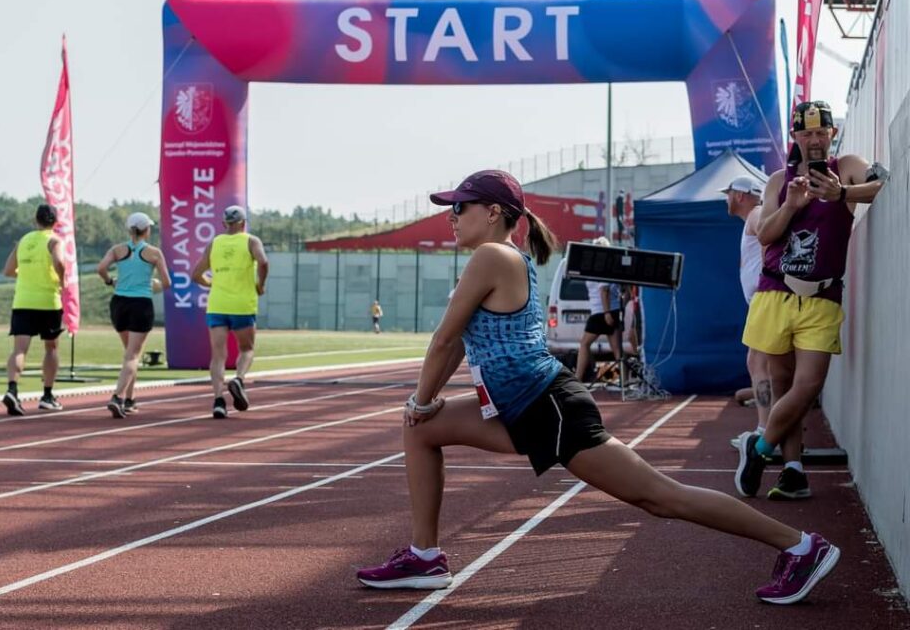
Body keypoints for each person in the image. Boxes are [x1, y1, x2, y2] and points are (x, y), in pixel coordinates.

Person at [356, 169, 840, 605]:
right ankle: (425, 555)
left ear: (493, 213)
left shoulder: (491, 256)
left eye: (459, 208)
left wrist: (421, 399)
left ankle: (800, 545)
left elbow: (442, 340)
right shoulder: (502, 257)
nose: (452, 217)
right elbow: (459, 340)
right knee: (420, 430)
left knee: (660, 497)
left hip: (548, 407)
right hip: (517, 407)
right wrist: (424, 405)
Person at [736, 100, 885, 501]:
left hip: (822, 296)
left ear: (832, 134)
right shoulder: (777, 181)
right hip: (776, 292)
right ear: (796, 138)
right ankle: (793, 470)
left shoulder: (846, 166)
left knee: (808, 385)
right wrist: (790, 205)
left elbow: (880, 184)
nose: (814, 140)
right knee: (783, 383)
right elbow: (765, 234)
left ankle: (760, 447)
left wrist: (841, 194)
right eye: (807, 133)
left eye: (822, 132)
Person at [191, 205, 269, 419]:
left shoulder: (214, 243)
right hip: (242, 305)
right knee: (247, 350)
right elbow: (263, 262)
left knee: (218, 356)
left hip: (217, 305)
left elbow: (195, 274)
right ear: (244, 223)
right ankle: (239, 378)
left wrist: (212, 284)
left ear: (225, 224)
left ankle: (218, 400)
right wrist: (260, 285)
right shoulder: (251, 241)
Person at [97, 212, 172, 418]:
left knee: (130, 354)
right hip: (140, 304)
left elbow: (101, 268)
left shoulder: (117, 249)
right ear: (147, 230)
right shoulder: (154, 253)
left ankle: (130, 400)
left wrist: (110, 281)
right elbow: (166, 283)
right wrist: (153, 285)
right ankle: (117, 396)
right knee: (132, 355)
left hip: (119, 303)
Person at [720, 175, 771, 450]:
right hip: (762, 300)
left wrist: (768, 279)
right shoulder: (752, 217)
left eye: (728, 193)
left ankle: (765, 431)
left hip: (765, 300)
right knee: (769, 367)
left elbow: (768, 240)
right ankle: (776, 428)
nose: (726, 199)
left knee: (757, 364)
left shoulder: (756, 213)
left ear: (739, 195)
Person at [1, 203, 65, 416]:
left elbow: (8, 270)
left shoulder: (24, 240)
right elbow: (60, 263)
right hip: (48, 301)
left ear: (35, 220)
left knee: (19, 349)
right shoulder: (54, 241)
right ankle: (47, 395)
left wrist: (27, 276)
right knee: (51, 348)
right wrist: (61, 281)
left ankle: (12, 389)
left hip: (23, 301)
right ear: (55, 222)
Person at [574, 237, 622, 386]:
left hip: (602, 312)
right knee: (616, 348)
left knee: (584, 344)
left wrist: (607, 313)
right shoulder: (598, 266)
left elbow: (604, 291)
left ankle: (578, 378)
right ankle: (623, 379)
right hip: (609, 310)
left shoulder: (603, 266)